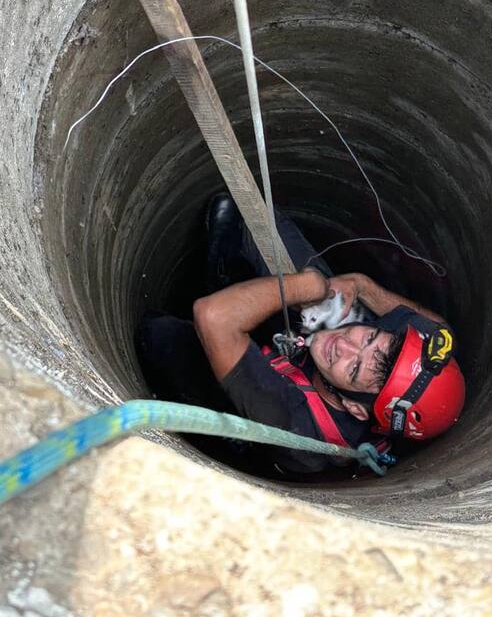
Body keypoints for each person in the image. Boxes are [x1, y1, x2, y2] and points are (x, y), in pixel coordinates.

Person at [138, 195, 465, 475]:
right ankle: (232, 279)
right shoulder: (408, 355)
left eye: (353, 369)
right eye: (368, 338)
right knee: (244, 213)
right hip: (296, 349)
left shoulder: (298, 425)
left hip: (258, 400)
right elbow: (440, 328)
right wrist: (361, 285)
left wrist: (306, 287)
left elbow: (212, 317)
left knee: (156, 334)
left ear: (355, 410)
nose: (345, 344)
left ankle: (226, 290)